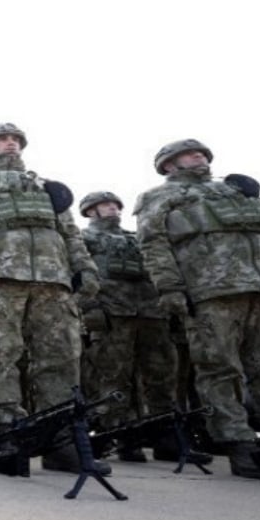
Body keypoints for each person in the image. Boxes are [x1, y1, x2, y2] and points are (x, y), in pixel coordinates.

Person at [134, 139, 260, 479]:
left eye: (201, 152)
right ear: (169, 165)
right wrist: (171, 290)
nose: (199, 156)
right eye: (189, 153)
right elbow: (153, 246)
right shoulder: (158, 197)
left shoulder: (239, 191)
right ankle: (240, 446)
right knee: (219, 371)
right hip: (210, 291)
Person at [0, 122, 106, 475]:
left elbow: (70, 232)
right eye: (1, 140)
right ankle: (4, 436)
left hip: (53, 280)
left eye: (14, 139)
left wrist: (85, 268)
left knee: (60, 358)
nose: (10, 144)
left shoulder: (45, 188)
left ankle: (60, 442)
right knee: (0, 355)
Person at [76, 190, 192, 464]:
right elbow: (80, 275)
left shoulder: (138, 238)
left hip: (153, 314)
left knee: (162, 377)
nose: (113, 208)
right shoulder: (85, 239)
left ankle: (166, 438)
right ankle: (121, 437)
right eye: (106, 205)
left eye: (116, 205)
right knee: (114, 378)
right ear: (91, 211)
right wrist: (90, 310)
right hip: (113, 314)